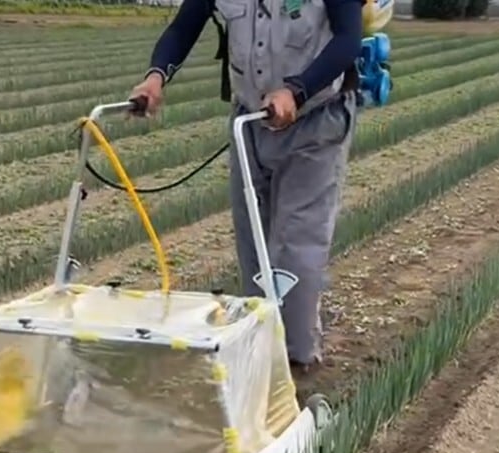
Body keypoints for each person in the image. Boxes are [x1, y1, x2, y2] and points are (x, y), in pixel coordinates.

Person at [129, 0, 364, 373]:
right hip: (251, 122)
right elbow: (183, 27)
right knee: (254, 251)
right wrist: (156, 76)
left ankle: (299, 366)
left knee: (294, 253)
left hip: (316, 120)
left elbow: (349, 39)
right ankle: (259, 362)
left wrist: (296, 90)